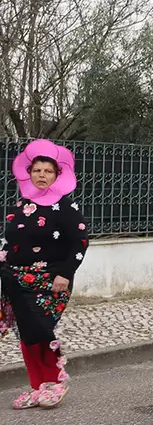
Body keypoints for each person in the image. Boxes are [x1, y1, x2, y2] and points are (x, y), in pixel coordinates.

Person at [2, 140, 89, 410]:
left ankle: (55, 382)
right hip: (15, 280)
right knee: (26, 335)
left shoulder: (65, 207)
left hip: (49, 282)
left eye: (47, 171)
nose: (41, 175)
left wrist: (65, 274)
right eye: (37, 170)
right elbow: (9, 242)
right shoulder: (20, 206)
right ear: (29, 174)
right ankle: (36, 386)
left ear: (57, 175)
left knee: (41, 329)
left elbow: (80, 242)